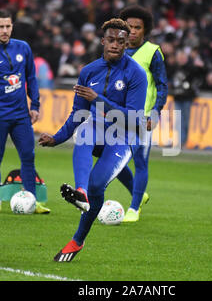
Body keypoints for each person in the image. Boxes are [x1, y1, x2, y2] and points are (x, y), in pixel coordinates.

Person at [38, 18, 147, 262]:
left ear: (127, 44)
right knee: (85, 130)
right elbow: (78, 113)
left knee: (99, 186)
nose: (115, 45)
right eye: (111, 40)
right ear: (103, 41)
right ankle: (80, 192)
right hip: (97, 130)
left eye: (121, 41)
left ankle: (77, 241)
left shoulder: (137, 74)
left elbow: (134, 119)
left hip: (124, 136)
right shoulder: (89, 71)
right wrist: (56, 138)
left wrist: (98, 99)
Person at [0, 10, 50, 214]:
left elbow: (31, 78)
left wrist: (35, 105)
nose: (5, 30)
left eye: (8, 26)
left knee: (28, 155)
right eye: (1, 26)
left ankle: (32, 201)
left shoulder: (23, 48)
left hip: (20, 116)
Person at [114, 4, 168, 222]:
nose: (133, 30)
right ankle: (139, 192)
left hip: (142, 117)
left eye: (138, 27)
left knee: (140, 161)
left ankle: (134, 208)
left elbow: (162, 85)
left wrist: (156, 112)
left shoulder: (153, 52)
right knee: (113, 162)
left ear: (145, 31)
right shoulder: (115, 50)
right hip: (117, 115)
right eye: (130, 26)